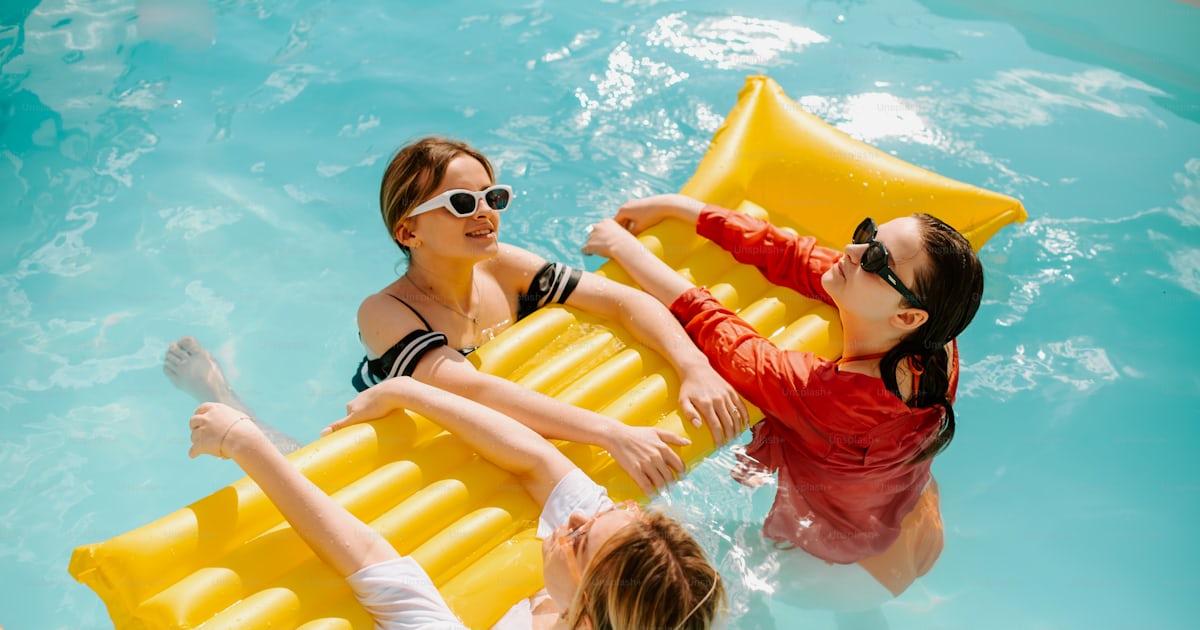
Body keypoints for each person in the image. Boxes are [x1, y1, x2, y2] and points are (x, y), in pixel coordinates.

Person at [166, 136, 748, 495]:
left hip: (498, 416)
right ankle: (223, 394)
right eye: (461, 204)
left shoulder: (505, 268)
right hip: (402, 424)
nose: (485, 215)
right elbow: (468, 391)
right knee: (304, 473)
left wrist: (692, 364)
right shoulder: (386, 311)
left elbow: (624, 300)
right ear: (409, 231)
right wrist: (612, 432)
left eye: (493, 199)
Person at [582, 193, 983, 622]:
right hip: (916, 529)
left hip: (839, 573)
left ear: (907, 318)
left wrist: (623, 247)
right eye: (867, 235)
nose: (852, 251)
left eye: (875, 259)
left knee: (696, 571)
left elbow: (717, 328)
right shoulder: (938, 345)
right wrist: (681, 207)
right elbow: (795, 255)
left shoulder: (833, 399)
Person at [187, 375, 725, 629]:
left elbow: (374, 562)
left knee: (301, 460)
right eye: (611, 514)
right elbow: (538, 462)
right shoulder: (641, 597)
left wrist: (245, 443)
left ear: (586, 617)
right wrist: (406, 390)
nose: (579, 518)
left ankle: (230, 399)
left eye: (580, 539)